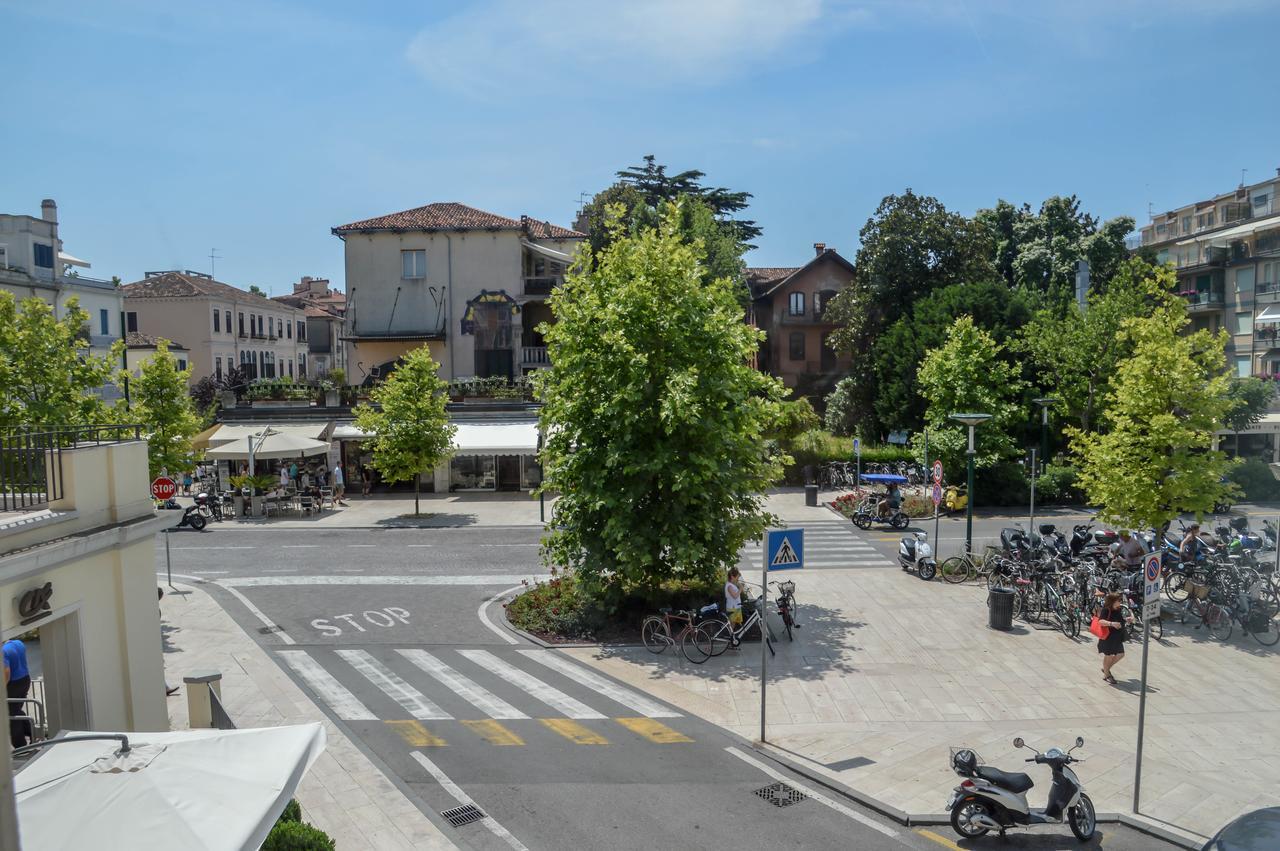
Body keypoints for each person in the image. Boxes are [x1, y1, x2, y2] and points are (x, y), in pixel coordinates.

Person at [1096, 592, 1131, 684]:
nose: (1121, 602)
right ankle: (1107, 675)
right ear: (1113, 601)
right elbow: (1100, 621)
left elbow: (1119, 620)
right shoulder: (1106, 610)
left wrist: (1126, 620)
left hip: (1117, 637)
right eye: (1119, 600)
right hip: (1108, 637)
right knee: (1109, 655)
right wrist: (1111, 624)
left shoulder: (1118, 609)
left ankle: (1106, 669)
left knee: (1120, 654)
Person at [4, 637, 32, 747]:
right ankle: (33, 733)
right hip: (25, 680)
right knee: (16, 710)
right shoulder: (18, 643)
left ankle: (20, 747)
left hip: (13, 684)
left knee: (11, 716)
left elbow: (6, 672)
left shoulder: (3, 651)